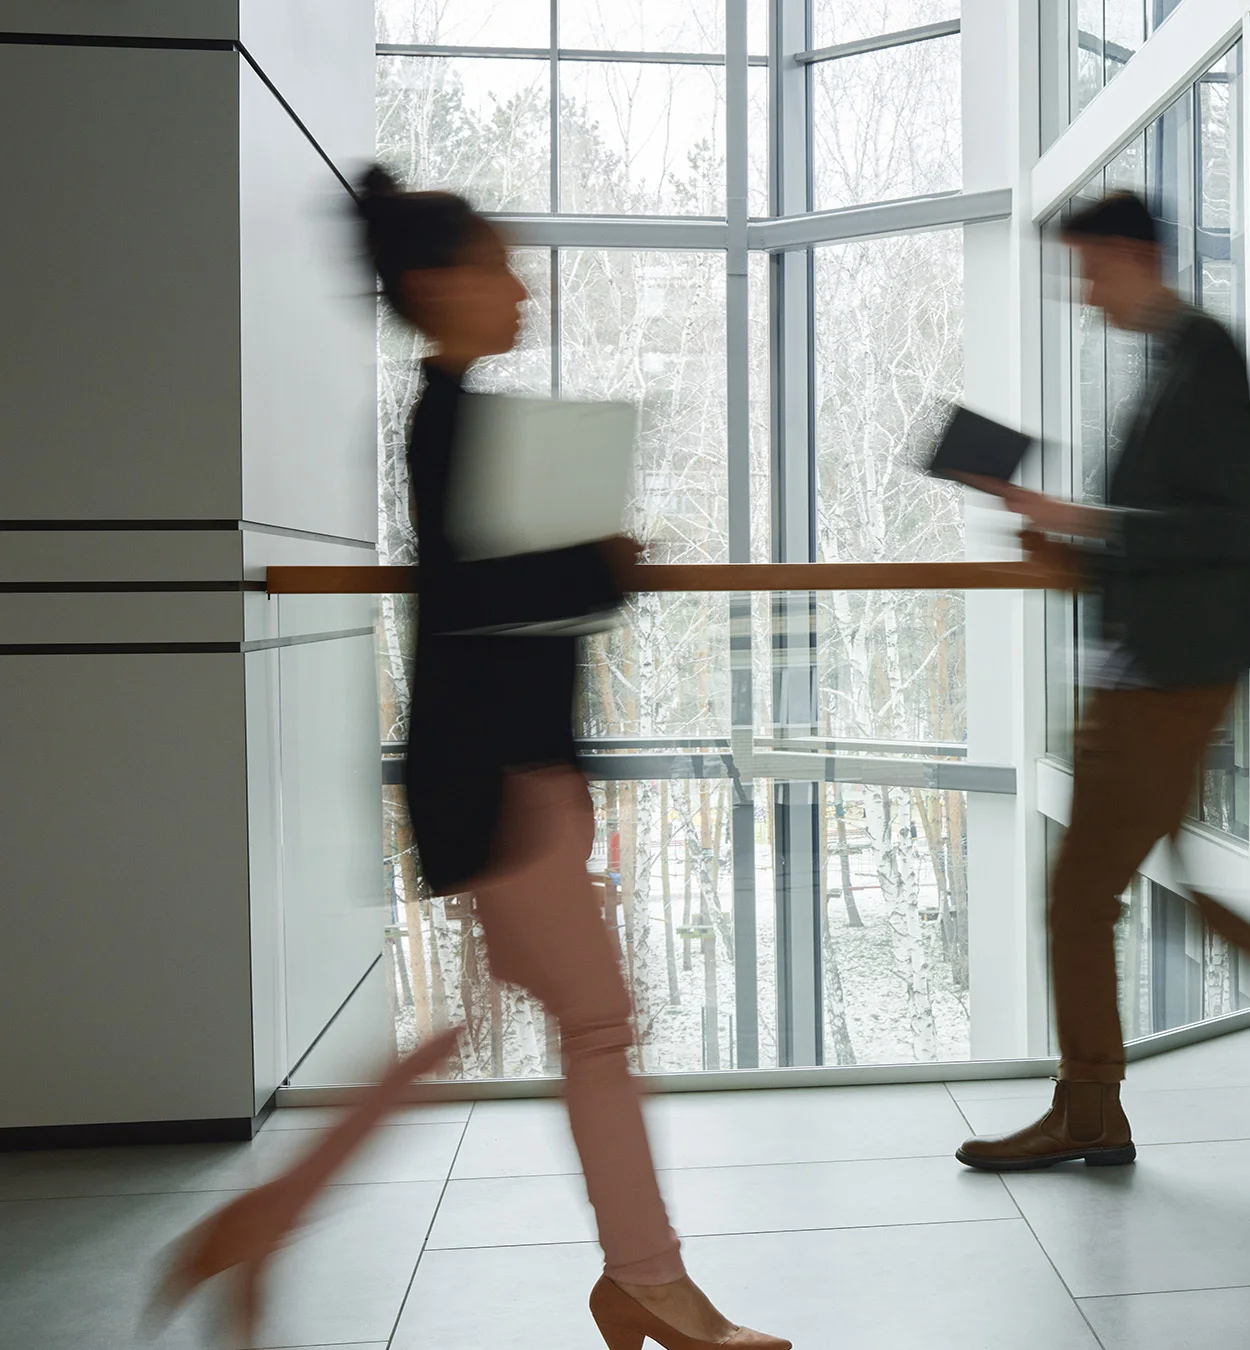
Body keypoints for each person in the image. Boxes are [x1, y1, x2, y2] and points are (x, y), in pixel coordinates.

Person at [154, 167, 788, 1350]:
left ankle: (258, 1224)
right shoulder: (447, 419)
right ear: (439, 286)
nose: (521, 290)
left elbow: (485, 599)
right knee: (597, 1029)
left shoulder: (457, 414)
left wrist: (588, 570)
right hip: (503, 786)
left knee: (484, 1031)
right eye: (500, 267)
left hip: (509, 776)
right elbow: (465, 596)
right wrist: (602, 561)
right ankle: (648, 1282)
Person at [952, 191, 1250, 1172]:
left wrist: (1079, 522)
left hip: (1172, 679)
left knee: (1079, 901)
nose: (1082, 295)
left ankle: (1090, 1112)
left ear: (1130, 253)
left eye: (1086, 270)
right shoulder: (1171, 366)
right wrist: (1050, 529)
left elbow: (1227, 533)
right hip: (1149, 671)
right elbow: (1160, 544)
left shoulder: (1207, 357)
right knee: (1168, 893)